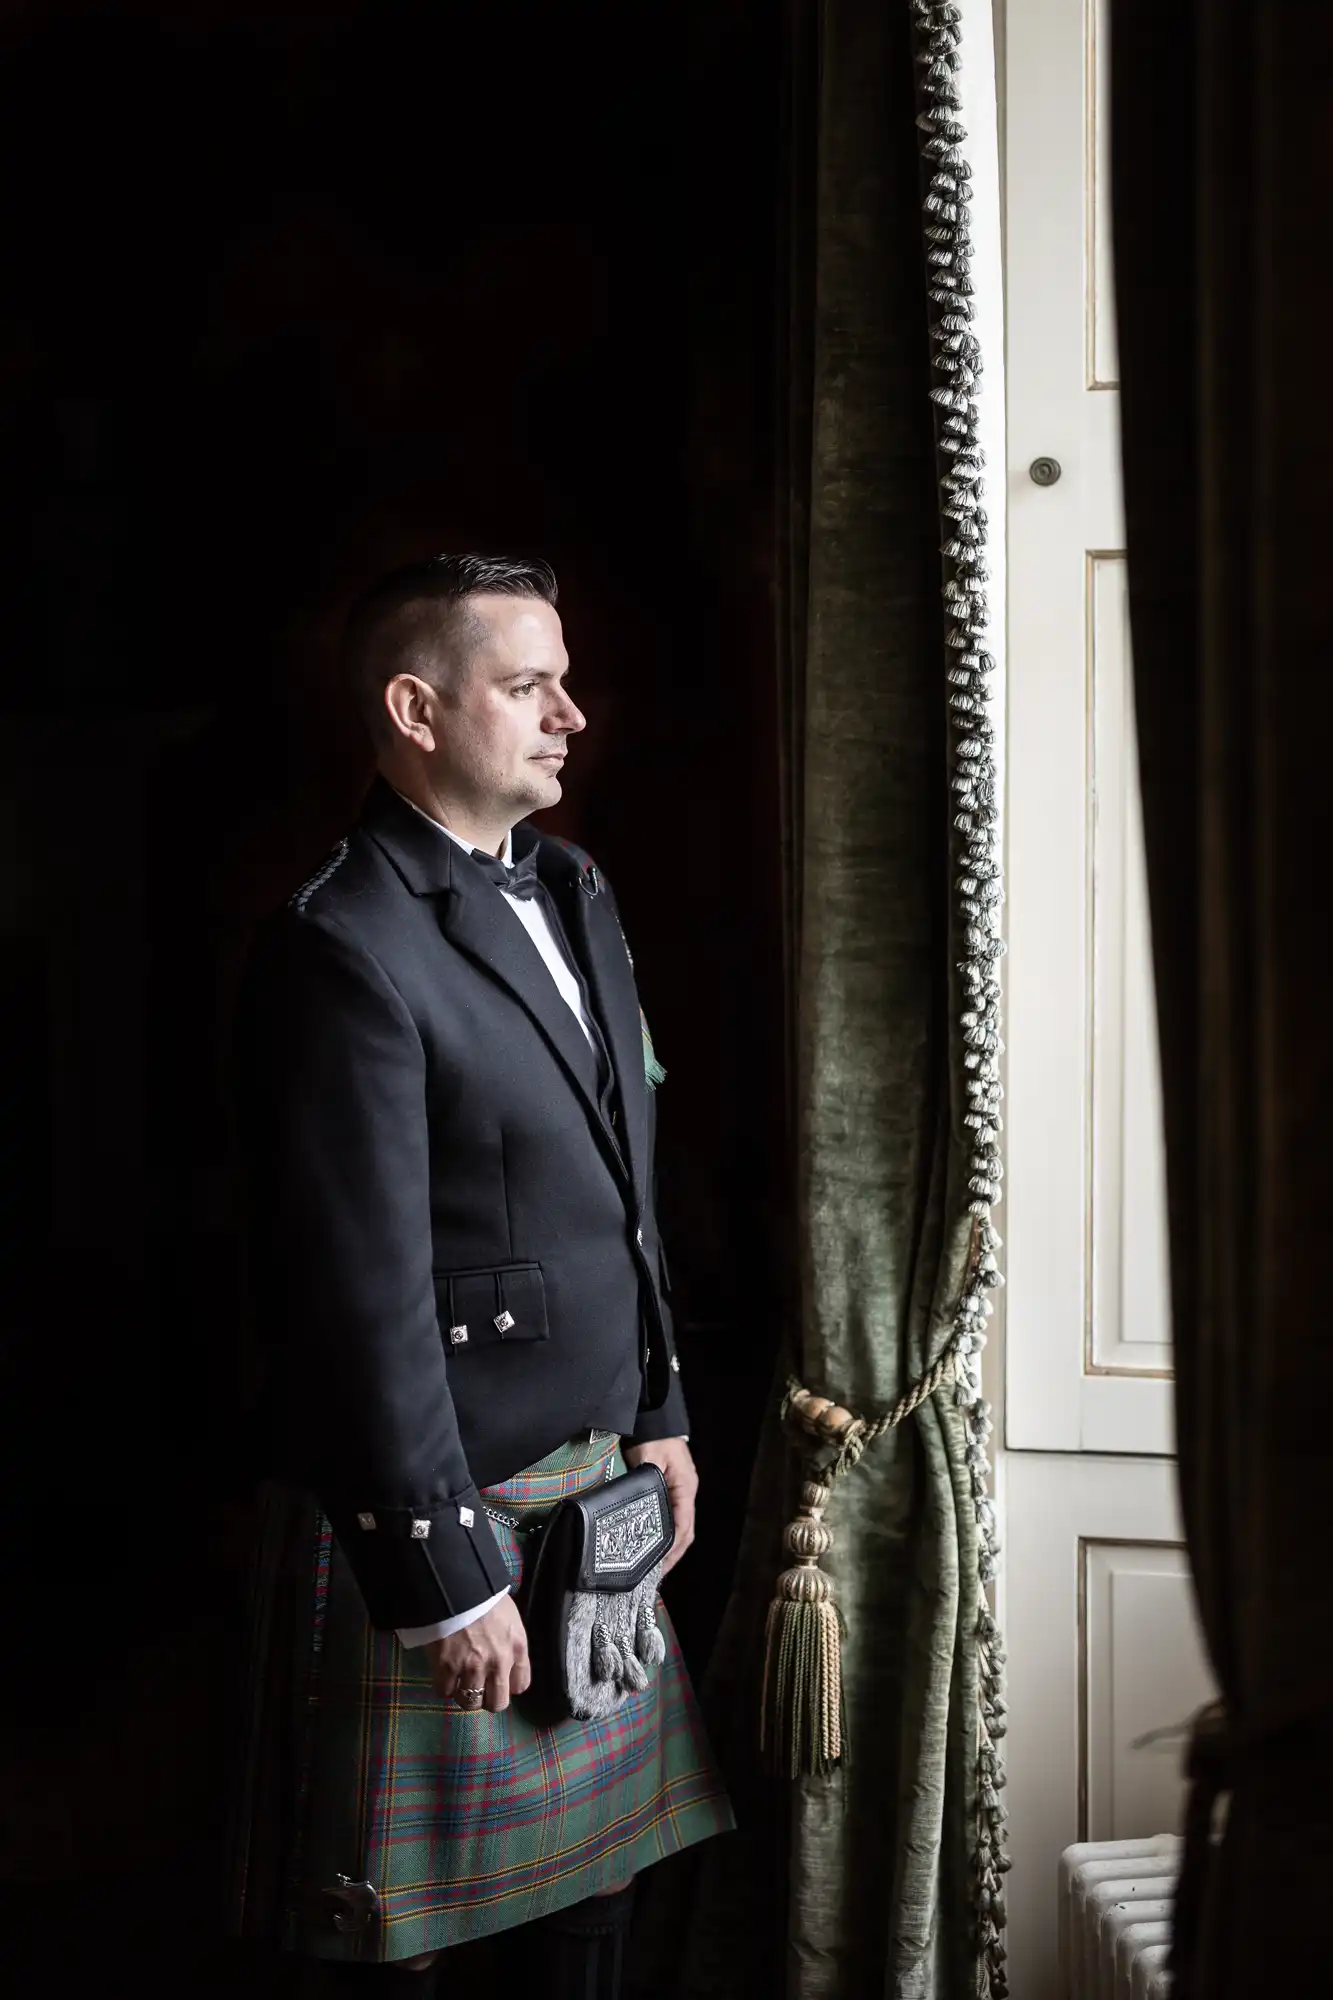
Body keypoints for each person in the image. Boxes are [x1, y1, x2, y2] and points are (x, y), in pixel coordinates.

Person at [226, 553, 733, 1997]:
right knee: (401, 1954)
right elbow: (353, 1289)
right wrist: (442, 1573)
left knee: (594, 1923)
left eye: (564, 682)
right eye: (528, 685)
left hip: (593, 1504)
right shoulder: (343, 944)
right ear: (416, 708)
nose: (572, 712)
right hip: (447, 1509)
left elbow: (624, 1191)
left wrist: (663, 1406)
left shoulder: (573, 888)